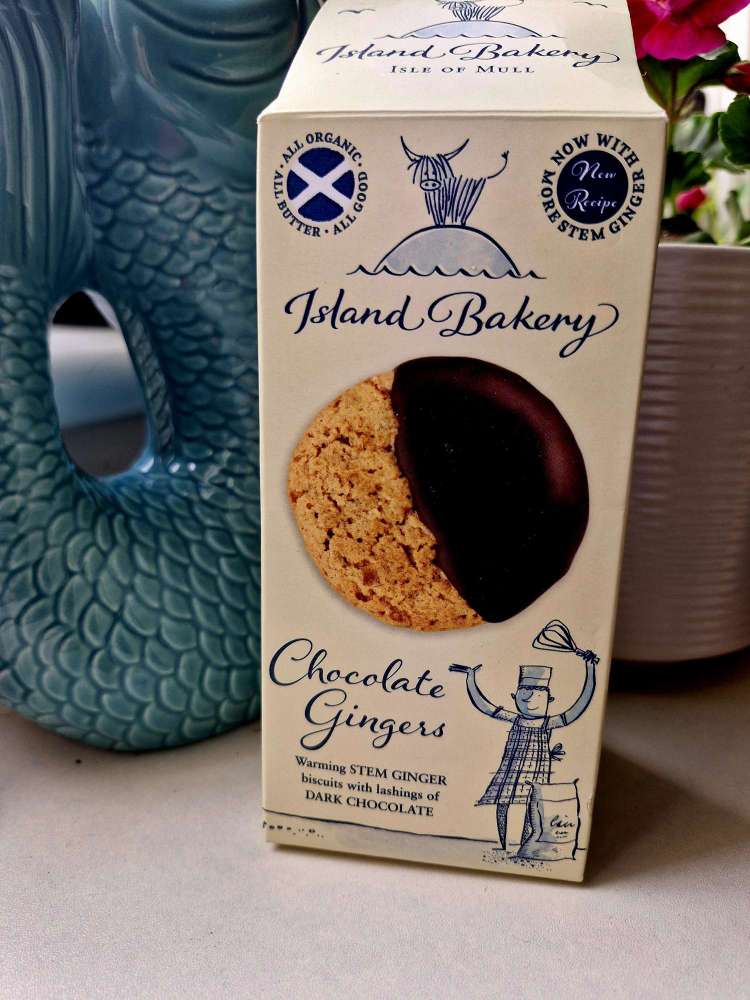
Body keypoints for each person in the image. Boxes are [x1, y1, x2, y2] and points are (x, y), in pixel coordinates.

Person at [450, 660, 596, 851]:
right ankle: (503, 845)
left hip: (537, 768)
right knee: (503, 801)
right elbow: (484, 706)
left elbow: (579, 707)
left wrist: (590, 669)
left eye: (539, 693)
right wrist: (470, 678)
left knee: (531, 805)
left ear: (550, 699)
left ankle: (524, 845)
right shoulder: (515, 718)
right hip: (511, 767)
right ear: (515, 696)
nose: (531, 697)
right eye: (525, 691)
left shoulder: (548, 723)